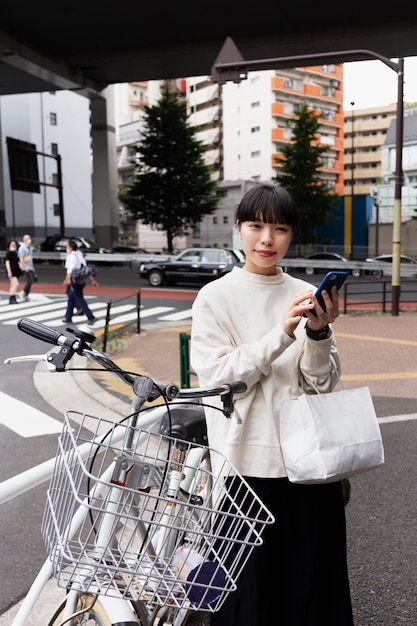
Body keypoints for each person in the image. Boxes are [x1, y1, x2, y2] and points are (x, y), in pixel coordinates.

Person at [190, 184, 354, 626]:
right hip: (245, 470)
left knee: (310, 593)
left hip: (308, 467)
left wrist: (318, 334)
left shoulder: (304, 292)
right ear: (239, 229)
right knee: (247, 600)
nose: (267, 239)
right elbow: (220, 379)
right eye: (256, 226)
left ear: (291, 236)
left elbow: (322, 382)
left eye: (279, 229)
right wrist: (281, 334)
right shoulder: (215, 297)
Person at [62, 239, 98, 325]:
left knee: (79, 298)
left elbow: (70, 270)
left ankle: (91, 317)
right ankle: (68, 317)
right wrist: (92, 280)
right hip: (82, 280)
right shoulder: (80, 254)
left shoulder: (71, 256)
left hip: (74, 280)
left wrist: (67, 279)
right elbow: (86, 268)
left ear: (70, 248)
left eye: (67, 246)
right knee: (71, 297)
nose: (66, 248)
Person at [18, 233, 36, 301]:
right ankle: (23, 292)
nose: (29, 240)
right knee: (30, 280)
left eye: (29, 238)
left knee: (31, 280)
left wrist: (32, 266)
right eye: (28, 238)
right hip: (25, 267)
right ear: (24, 239)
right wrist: (24, 267)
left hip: (30, 266)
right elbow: (21, 258)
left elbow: (30, 258)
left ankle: (26, 294)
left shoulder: (30, 247)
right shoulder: (22, 248)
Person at [4, 238, 22, 304]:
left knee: (13, 284)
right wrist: (9, 272)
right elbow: (7, 262)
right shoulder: (8, 252)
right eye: (12, 244)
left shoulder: (15, 252)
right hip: (11, 271)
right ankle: (12, 297)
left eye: (14, 244)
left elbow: (18, 261)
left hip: (16, 270)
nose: (13, 245)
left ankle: (12, 298)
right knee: (16, 284)